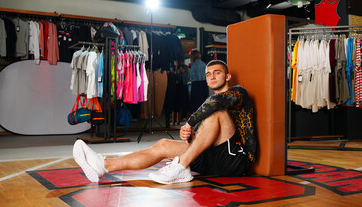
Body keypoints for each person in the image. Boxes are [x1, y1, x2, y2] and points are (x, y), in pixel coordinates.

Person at [73, 60, 256, 184]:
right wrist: (191, 134)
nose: (212, 77)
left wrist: (189, 123)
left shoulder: (239, 93)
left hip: (234, 160)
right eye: (208, 74)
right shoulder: (208, 104)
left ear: (228, 76)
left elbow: (215, 105)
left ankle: (181, 166)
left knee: (218, 113)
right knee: (163, 145)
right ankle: (103, 165)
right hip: (212, 159)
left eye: (217, 73)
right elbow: (207, 125)